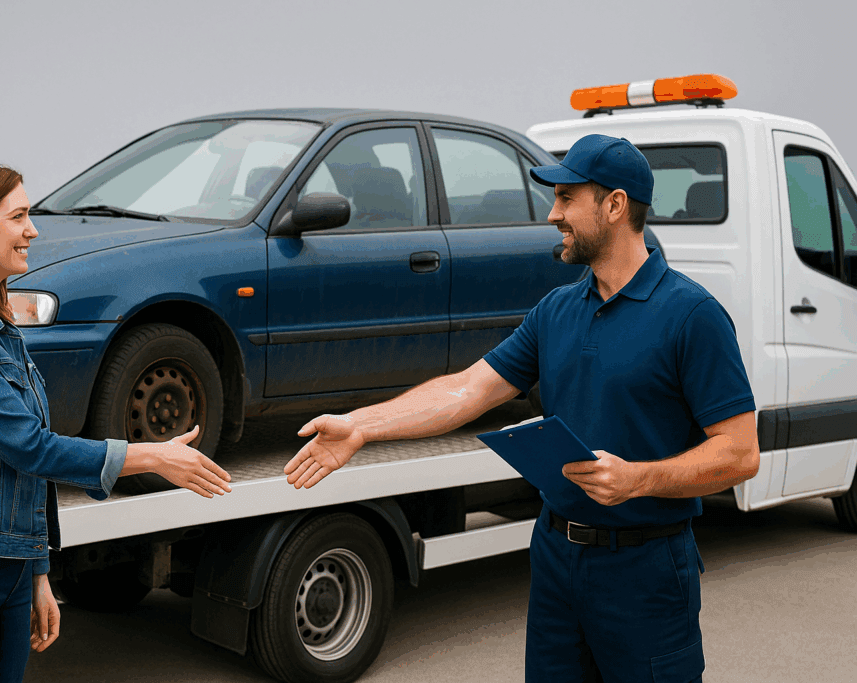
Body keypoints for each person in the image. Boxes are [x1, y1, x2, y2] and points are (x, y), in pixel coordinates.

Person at [284, 134, 759, 682]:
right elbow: (467, 389)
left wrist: (638, 479)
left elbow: (741, 453)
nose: (553, 214)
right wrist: (361, 427)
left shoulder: (691, 315)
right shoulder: (556, 310)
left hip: (645, 570)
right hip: (557, 557)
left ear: (614, 205)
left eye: (566, 199)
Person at [0, 160, 233, 683]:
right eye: (18, 216)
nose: (33, 229)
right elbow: (33, 448)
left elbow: (22, 474)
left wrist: (36, 573)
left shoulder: (1, 329)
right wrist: (153, 456)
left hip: (7, 567)